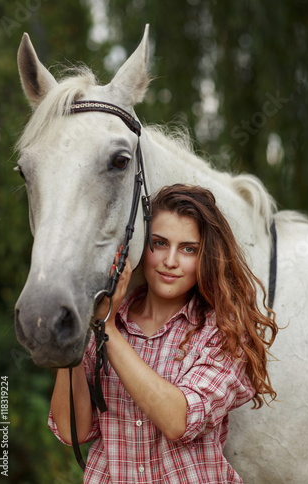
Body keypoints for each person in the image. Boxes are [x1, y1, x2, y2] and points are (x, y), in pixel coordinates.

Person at [49, 184, 278, 483]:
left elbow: (178, 420)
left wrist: (107, 330)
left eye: (188, 249)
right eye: (159, 243)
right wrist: (78, 328)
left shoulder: (223, 331)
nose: (170, 261)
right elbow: (72, 431)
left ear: (205, 257)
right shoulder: (104, 320)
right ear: (142, 247)